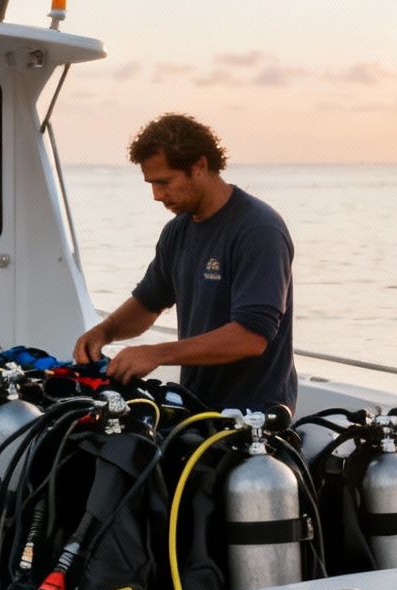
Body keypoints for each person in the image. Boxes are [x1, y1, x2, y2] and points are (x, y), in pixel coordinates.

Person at [73, 113, 297, 413]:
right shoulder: (177, 231)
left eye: (164, 182)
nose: (156, 195)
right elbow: (148, 302)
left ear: (200, 166)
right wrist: (104, 331)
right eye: (151, 184)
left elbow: (251, 337)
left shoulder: (258, 229)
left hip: (255, 417)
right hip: (197, 406)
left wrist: (157, 353)